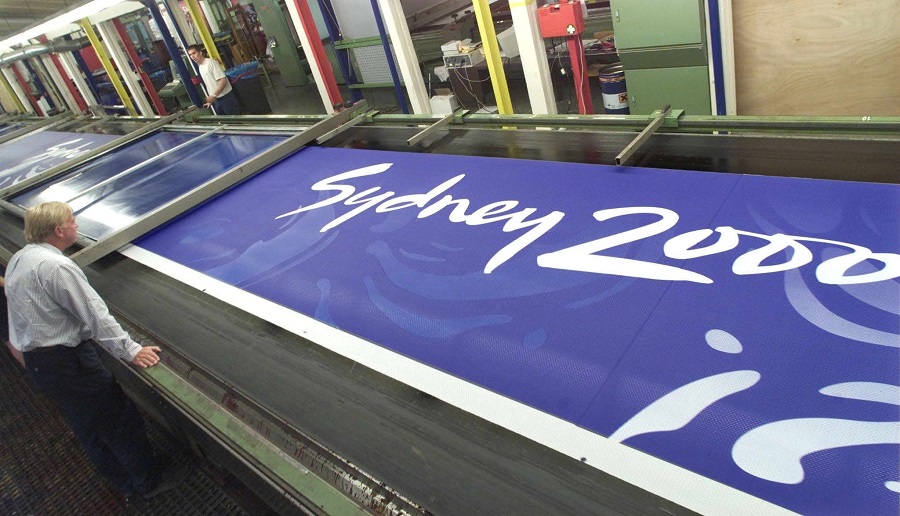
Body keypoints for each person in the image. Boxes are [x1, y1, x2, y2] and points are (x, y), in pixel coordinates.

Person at [5, 201, 186, 500]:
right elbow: (95, 314)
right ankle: (148, 482)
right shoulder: (57, 267)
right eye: (71, 220)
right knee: (118, 420)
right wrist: (130, 350)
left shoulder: (20, 258)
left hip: (42, 365)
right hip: (68, 364)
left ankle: (124, 482)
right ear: (58, 230)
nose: (76, 224)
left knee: (88, 427)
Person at [187, 44, 241, 115]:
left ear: (200, 52)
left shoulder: (211, 63)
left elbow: (223, 80)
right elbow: (210, 84)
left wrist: (213, 96)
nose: (192, 56)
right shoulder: (201, 67)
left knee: (234, 120)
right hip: (216, 101)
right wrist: (211, 101)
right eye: (190, 55)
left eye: (194, 53)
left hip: (226, 98)